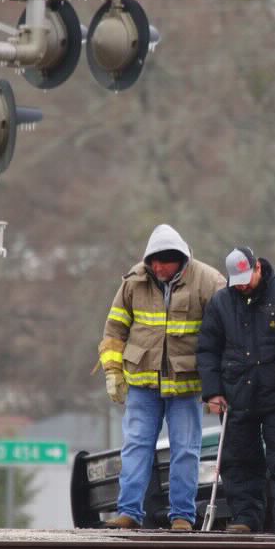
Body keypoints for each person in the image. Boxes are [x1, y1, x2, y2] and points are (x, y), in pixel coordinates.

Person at [98, 224, 226, 531]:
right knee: (136, 446)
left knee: (185, 450)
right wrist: (113, 371)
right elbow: (115, 329)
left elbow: (224, 335)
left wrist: (217, 386)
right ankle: (129, 512)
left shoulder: (209, 282)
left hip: (186, 387)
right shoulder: (134, 282)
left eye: (164, 261)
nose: (157, 267)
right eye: (153, 262)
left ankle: (182, 516)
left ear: (180, 258)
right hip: (143, 383)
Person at [197, 246, 275, 534]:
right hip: (237, 396)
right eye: (237, 280)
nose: (244, 285)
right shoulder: (221, 302)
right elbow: (208, 350)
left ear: (259, 267)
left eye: (248, 277)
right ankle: (245, 518)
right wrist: (212, 392)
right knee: (238, 461)